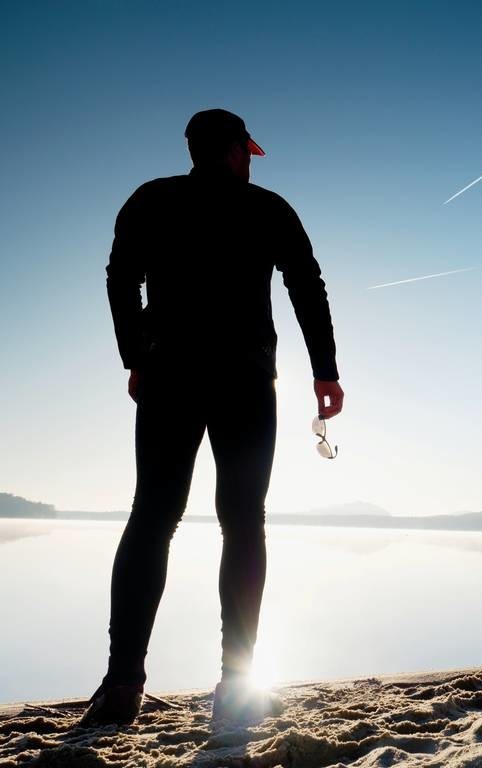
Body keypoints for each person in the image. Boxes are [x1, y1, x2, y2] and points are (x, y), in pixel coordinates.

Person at [79, 108, 344, 727]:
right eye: (246, 153)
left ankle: (122, 684)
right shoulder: (268, 208)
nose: (251, 163)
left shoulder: (150, 200)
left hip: (170, 373)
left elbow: (121, 277)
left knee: (153, 516)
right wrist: (325, 370)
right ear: (230, 151)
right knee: (243, 522)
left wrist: (136, 354)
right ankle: (236, 685)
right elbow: (308, 284)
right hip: (247, 379)